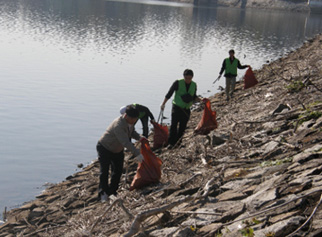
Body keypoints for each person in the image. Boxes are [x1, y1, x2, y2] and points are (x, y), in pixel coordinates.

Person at [96, 105, 144, 202]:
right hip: (105, 147)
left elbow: (132, 132)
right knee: (104, 171)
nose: (134, 121)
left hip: (117, 150)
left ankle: (113, 191)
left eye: (136, 119)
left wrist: (140, 137)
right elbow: (125, 142)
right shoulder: (118, 125)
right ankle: (103, 193)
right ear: (127, 116)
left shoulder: (130, 122)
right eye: (133, 119)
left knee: (117, 171)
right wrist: (137, 153)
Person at [160, 69, 200, 148]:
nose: (188, 80)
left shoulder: (194, 85)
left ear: (192, 77)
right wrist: (163, 104)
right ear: (184, 77)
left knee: (183, 126)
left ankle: (178, 143)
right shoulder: (177, 83)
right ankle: (171, 143)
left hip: (186, 109)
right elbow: (169, 94)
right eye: (186, 78)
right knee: (174, 125)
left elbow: (194, 96)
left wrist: (201, 100)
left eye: (190, 78)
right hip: (177, 108)